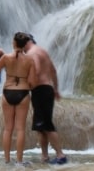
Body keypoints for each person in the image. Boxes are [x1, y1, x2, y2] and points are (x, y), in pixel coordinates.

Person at [0, 31, 35, 163]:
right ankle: (19, 161)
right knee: (20, 129)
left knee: (8, 128)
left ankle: (7, 160)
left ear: (14, 43)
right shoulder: (30, 60)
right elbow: (32, 81)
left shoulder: (6, 58)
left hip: (8, 92)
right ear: (25, 44)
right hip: (23, 93)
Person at [24, 34, 68, 165]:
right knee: (40, 126)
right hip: (47, 89)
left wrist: (26, 86)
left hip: (40, 90)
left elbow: (36, 71)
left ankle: (60, 155)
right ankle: (45, 157)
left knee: (47, 125)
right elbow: (53, 71)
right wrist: (55, 89)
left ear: (27, 42)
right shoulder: (42, 51)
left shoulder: (32, 53)